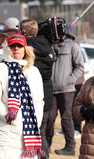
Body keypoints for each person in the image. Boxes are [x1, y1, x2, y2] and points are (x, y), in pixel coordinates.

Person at [0, 34, 45, 159]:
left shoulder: (34, 72)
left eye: (20, 46)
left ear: (26, 49)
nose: (16, 48)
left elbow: (39, 101)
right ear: (7, 48)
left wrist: (36, 120)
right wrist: (12, 118)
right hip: (5, 135)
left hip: (29, 134)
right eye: (13, 46)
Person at [19, 19, 55, 159]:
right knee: (42, 133)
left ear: (23, 32)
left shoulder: (25, 48)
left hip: (32, 96)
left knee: (30, 132)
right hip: (46, 95)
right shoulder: (47, 45)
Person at [46, 33, 85, 156]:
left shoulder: (72, 46)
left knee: (67, 118)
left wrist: (69, 81)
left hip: (67, 90)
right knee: (49, 118)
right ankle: (46, 146)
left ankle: (70, 147)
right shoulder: (48, 44)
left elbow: (80, 67)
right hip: (51, 90)